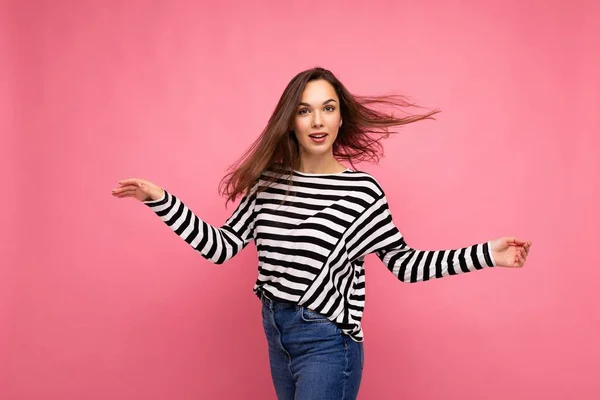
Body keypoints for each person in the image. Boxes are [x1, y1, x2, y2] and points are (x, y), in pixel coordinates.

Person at [111, 67, 531, 400]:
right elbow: (220, 247)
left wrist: (488, 254)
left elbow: (405, 264)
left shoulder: (360, 193)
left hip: (328, 344)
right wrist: (159, 199)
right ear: (290, 120)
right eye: (305, 110)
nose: (318, 120)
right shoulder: (268, 183)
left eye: (328, 108)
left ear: (340, 116)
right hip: (277, 335)